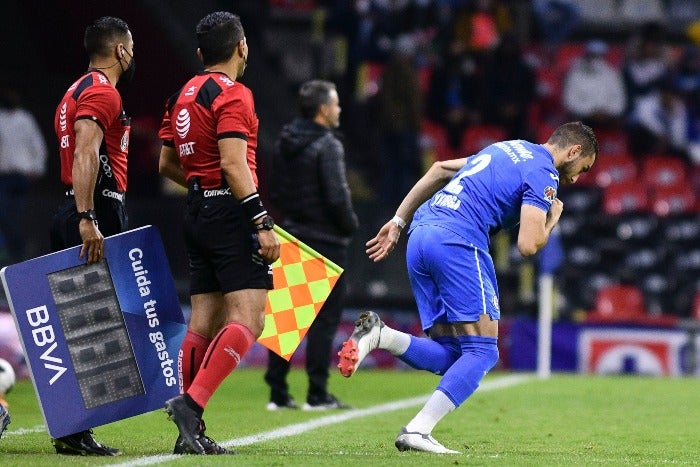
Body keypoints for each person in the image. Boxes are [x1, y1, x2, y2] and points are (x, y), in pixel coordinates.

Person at [338, 122, 598, 453]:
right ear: (573, 151)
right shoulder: (544, 172)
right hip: (458, 240)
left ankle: (381, 336)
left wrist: (398, 221)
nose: (576, 179)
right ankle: (418, 430)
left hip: (420, 234)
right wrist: (552, 219)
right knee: (484, 351)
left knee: (456, 355)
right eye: (582, 168)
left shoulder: (508, 147)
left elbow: (439, 168)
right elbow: (528, 245)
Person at [158, 11, 280, 455]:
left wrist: (202, 187)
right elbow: (232, 163)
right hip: (231, 215)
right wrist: (260, 221)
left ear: (199, 53)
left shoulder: (181, 95)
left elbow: (167, 164)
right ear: (241, 47)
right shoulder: (235, 94)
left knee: (203, 323)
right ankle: (190, 406)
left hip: (197, 213)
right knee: (249, 319)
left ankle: (189, 432)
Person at [49, 16, 135, 456]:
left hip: (76, 205)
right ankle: (75, 429)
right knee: (95, 322)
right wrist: (88, 217)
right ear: (120, 50)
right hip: (94, 210)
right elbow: (86, 150)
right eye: (131, 47)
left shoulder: (73, 91)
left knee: (81, 320)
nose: (133, 54)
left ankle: (72, 429)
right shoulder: (103, 91)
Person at [265, 80, 358, 411]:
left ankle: (277, 393)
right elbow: (337, 195)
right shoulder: (329, 145)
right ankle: (317, 393)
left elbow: (273, 190)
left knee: (287, 319)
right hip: (327, 240)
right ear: (323, 110)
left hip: (291, 233)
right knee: (324, 320)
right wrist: (350, 225)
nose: (339, 109)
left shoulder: (284, 142)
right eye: (335, 104)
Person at [0, 87, 48, 265]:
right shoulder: (1, 119)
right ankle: (16, 248)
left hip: (22, 175)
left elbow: (38, 146)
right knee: (3, 213)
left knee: (16, 215)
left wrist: (38, 168)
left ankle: (18, 251)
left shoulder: (25, 119)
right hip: (3, 176)